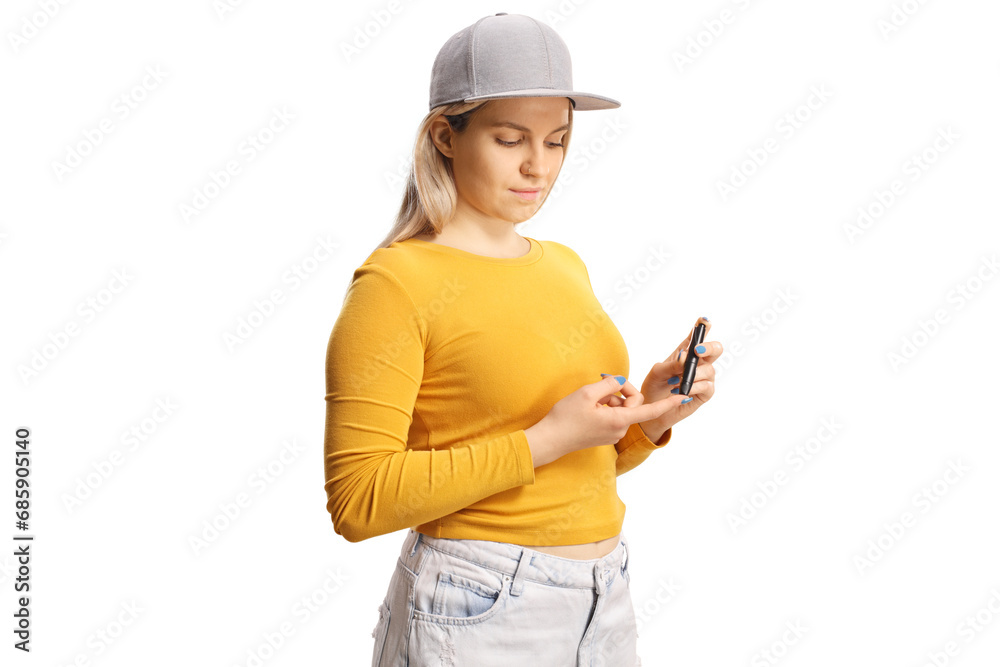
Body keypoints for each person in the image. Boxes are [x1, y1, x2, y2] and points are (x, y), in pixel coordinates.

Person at [323, 12, 719, 666]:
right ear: (446, 136)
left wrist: (647, 418)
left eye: (557, 140)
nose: (539, 165)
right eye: (510, 139)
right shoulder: (395, 284)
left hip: (605, 599)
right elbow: (358, 500)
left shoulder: (565, 264)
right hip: (476, 607)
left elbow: (571, 469)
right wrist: (548, 436)